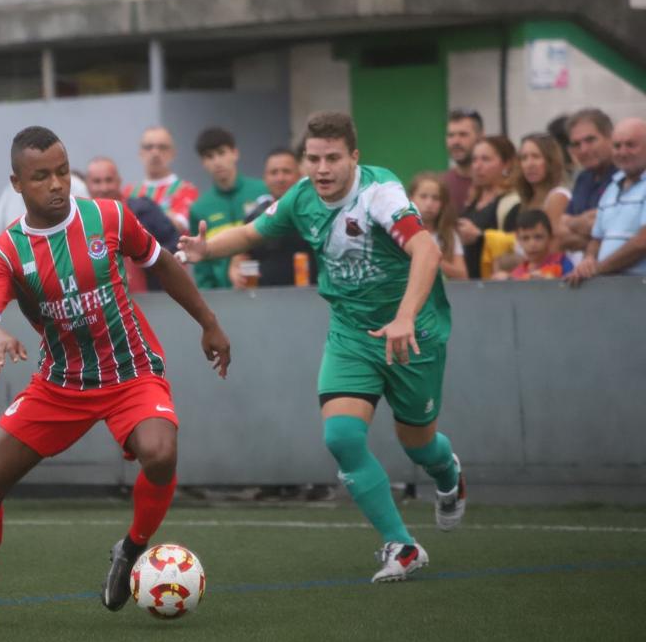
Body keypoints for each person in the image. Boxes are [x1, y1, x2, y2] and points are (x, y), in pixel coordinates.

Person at [0, 126, 231, 630]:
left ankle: (131, 548)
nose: (56, 184)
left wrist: (210, 322)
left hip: (131, 371)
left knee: (160, 453)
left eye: (63, 171)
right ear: (17, 184)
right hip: (60, 383)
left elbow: (161, 264)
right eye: (41, 176)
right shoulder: (7, 251)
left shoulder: (108, 216)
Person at [179, 111, 464, 583]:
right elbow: (252, 234)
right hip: (351, 335)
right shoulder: (302, 198)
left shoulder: (381, 194)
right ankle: (403, 545)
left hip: (412, 334)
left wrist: (405, 316)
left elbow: (428, 251)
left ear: (355, 157)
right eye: (313, 159)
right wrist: (204, 250)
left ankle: (449, 474)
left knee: (418, 444)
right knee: (342, 438)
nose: (322, 169)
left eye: (333, 158)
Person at [0, 175, 89, 301]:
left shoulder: (76, 187)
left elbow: (87, 235)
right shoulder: (11, 194)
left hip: (71, 290)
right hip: (19, 294)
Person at [567, 117, 646, 285]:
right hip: (612, 288)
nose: (623, 152)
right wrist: (588, 259)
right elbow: (597, 238)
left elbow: (642, 242)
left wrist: (600, 268)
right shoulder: (612, 187)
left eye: (631, 145)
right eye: (617, 146)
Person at [187, 127, 268, 289]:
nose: (217, 161)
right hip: (223, 297)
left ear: (235, 153)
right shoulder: (199, 208)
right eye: (209, 156)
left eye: (222, 153)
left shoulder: (263, 191)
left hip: (266, 289)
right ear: (203, 163)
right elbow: (202, 269)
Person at [86, 155, 179, 292]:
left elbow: (174, 248)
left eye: (109, 180)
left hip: (155, 300)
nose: (104, 188)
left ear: (119, 181)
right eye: (97, 182)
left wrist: (145, 260)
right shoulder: (80, 222)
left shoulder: (145, 211)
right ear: (87, 184)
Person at [229, 148, 318, 288]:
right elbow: (239, 257)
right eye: (274, 172)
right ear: (265, 178)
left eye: (286, 171)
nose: (280, 178)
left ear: (300, 176)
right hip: (263, 302)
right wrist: (235, 270)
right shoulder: (255, 214)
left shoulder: (315, 212)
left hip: (310, 299)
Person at [457, 135, 520, 279]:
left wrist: (480, 235)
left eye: (485, 159)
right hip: (469, 284)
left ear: (506, 164)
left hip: (496, 284)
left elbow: (517, 244)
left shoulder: (513, 202)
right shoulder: (471, 202)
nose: (477, 166)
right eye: (474, 159)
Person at [558, 108, 617, 256]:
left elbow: (615, 232)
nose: (583, 150)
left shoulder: (627, 175)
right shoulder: (583, 178)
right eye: (576, 144)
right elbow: (560, 234)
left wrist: (573, 223)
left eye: (590, 140)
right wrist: (584, 223)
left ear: (611, 137)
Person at [123, 126, 200, 235]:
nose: (155, 153)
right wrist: (165, 215)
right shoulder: (128, 192)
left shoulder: (187, 190)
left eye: (162, 147)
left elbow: (177, 226)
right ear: (140, 153)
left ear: (173, 153)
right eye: (149, 147)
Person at [513, 133, 571, 250]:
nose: (530, 164)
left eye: (536, 157)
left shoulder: (557, 196)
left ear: (550, 161)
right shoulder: (528, 199)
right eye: (524, 158)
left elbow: (553, 246)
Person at [407, 173, 467, 280]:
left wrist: (434, 259)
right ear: (411, 199)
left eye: (436, 198)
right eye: (423, 196)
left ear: (443, 203)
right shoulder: (401, 233)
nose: (429, 203)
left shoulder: (449, 235)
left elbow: (462, 275)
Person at [494, 210, 573, 281]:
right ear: (518, 240)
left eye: (538, 237)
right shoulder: (516, 273)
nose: (532, 244)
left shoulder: (562, 263)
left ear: (550, 238)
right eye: (525, 238)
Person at [442, 108, 484, 214]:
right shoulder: (441, 185)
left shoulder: (496, 185)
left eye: (463, 134)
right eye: (451, 135)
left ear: (480, 136)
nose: (455, 141)